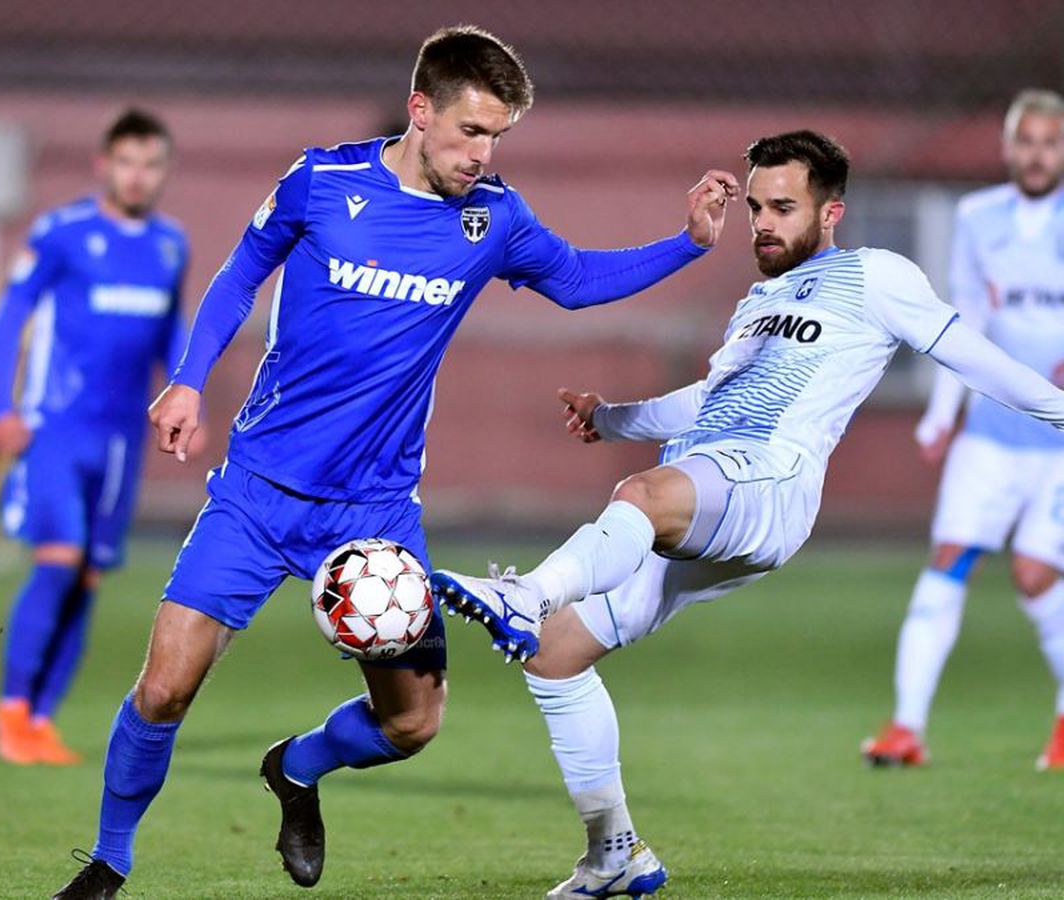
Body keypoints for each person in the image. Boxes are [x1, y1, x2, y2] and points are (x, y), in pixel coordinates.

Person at [52, 24, 736, 900]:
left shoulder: (495, 218)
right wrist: (187, 383)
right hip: (259, 492)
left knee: (413, 725)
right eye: (472, 132)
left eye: (499, 137)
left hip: (375, 511)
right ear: (421, 110)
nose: (484, 156)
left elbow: (576, 279)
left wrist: (687, 241)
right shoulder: (322, 181)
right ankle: (109, 862)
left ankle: (294, 768)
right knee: (164, 689)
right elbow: (237, 275)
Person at [432, 129, 1064, 899]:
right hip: (708, 483)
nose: (763, 223)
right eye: (757, 207)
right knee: (554, 657)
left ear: (831, 213)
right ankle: (614, 854)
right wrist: (615, 416)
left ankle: (525, 593)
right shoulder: (760, 300)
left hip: (770, 482)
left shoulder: (876, 277)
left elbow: (972, 355)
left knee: (635, 498)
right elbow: (709, 402)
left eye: (783, 208)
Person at [861, 90, 1064, 771]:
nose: (1037, 154)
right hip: (990, 430)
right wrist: (942, 414)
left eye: (1049, 142)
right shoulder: (979, 219)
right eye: (1026, 141)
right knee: (949, 557)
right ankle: (905, 728)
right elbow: (961, 323)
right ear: (1009, 147)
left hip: (1061, 443)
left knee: (1037, 576)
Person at [0, 109, 189, 767]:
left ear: (162, 171)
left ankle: (41, 720)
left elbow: (170, 332)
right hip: (56, 428)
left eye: (151, 163)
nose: (139, 175)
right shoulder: (62, 233)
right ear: (104, 165)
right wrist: (0, 405)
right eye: (127, 162)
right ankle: (11, 712)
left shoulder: (169, 246)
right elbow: (11, 313)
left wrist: (187, 392)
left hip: (121, 440)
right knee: (59, 558)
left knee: (90, 578)